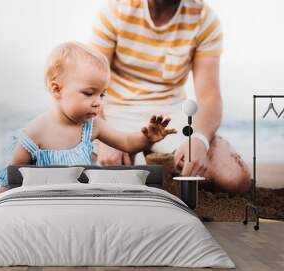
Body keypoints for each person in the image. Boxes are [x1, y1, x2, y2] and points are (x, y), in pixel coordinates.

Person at [90, 0, 251, 193]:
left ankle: (156, 165)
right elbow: (90, 87)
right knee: (83, 169)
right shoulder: (114, 11)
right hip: (115, 114)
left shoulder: (204, 19)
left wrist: (199, 139)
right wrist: (105, 137)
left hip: (171, 116)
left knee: (233, 178)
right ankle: (148, 167)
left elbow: (209, 98)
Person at [0, 41, 177, 192]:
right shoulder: (35, 133)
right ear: (57, 89)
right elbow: (14, 180)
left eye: (102, 94)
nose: (98, 102)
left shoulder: (92, 126)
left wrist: (147, 138)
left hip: (76, 198)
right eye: (89, 93)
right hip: (41, 200)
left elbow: (127, 142)